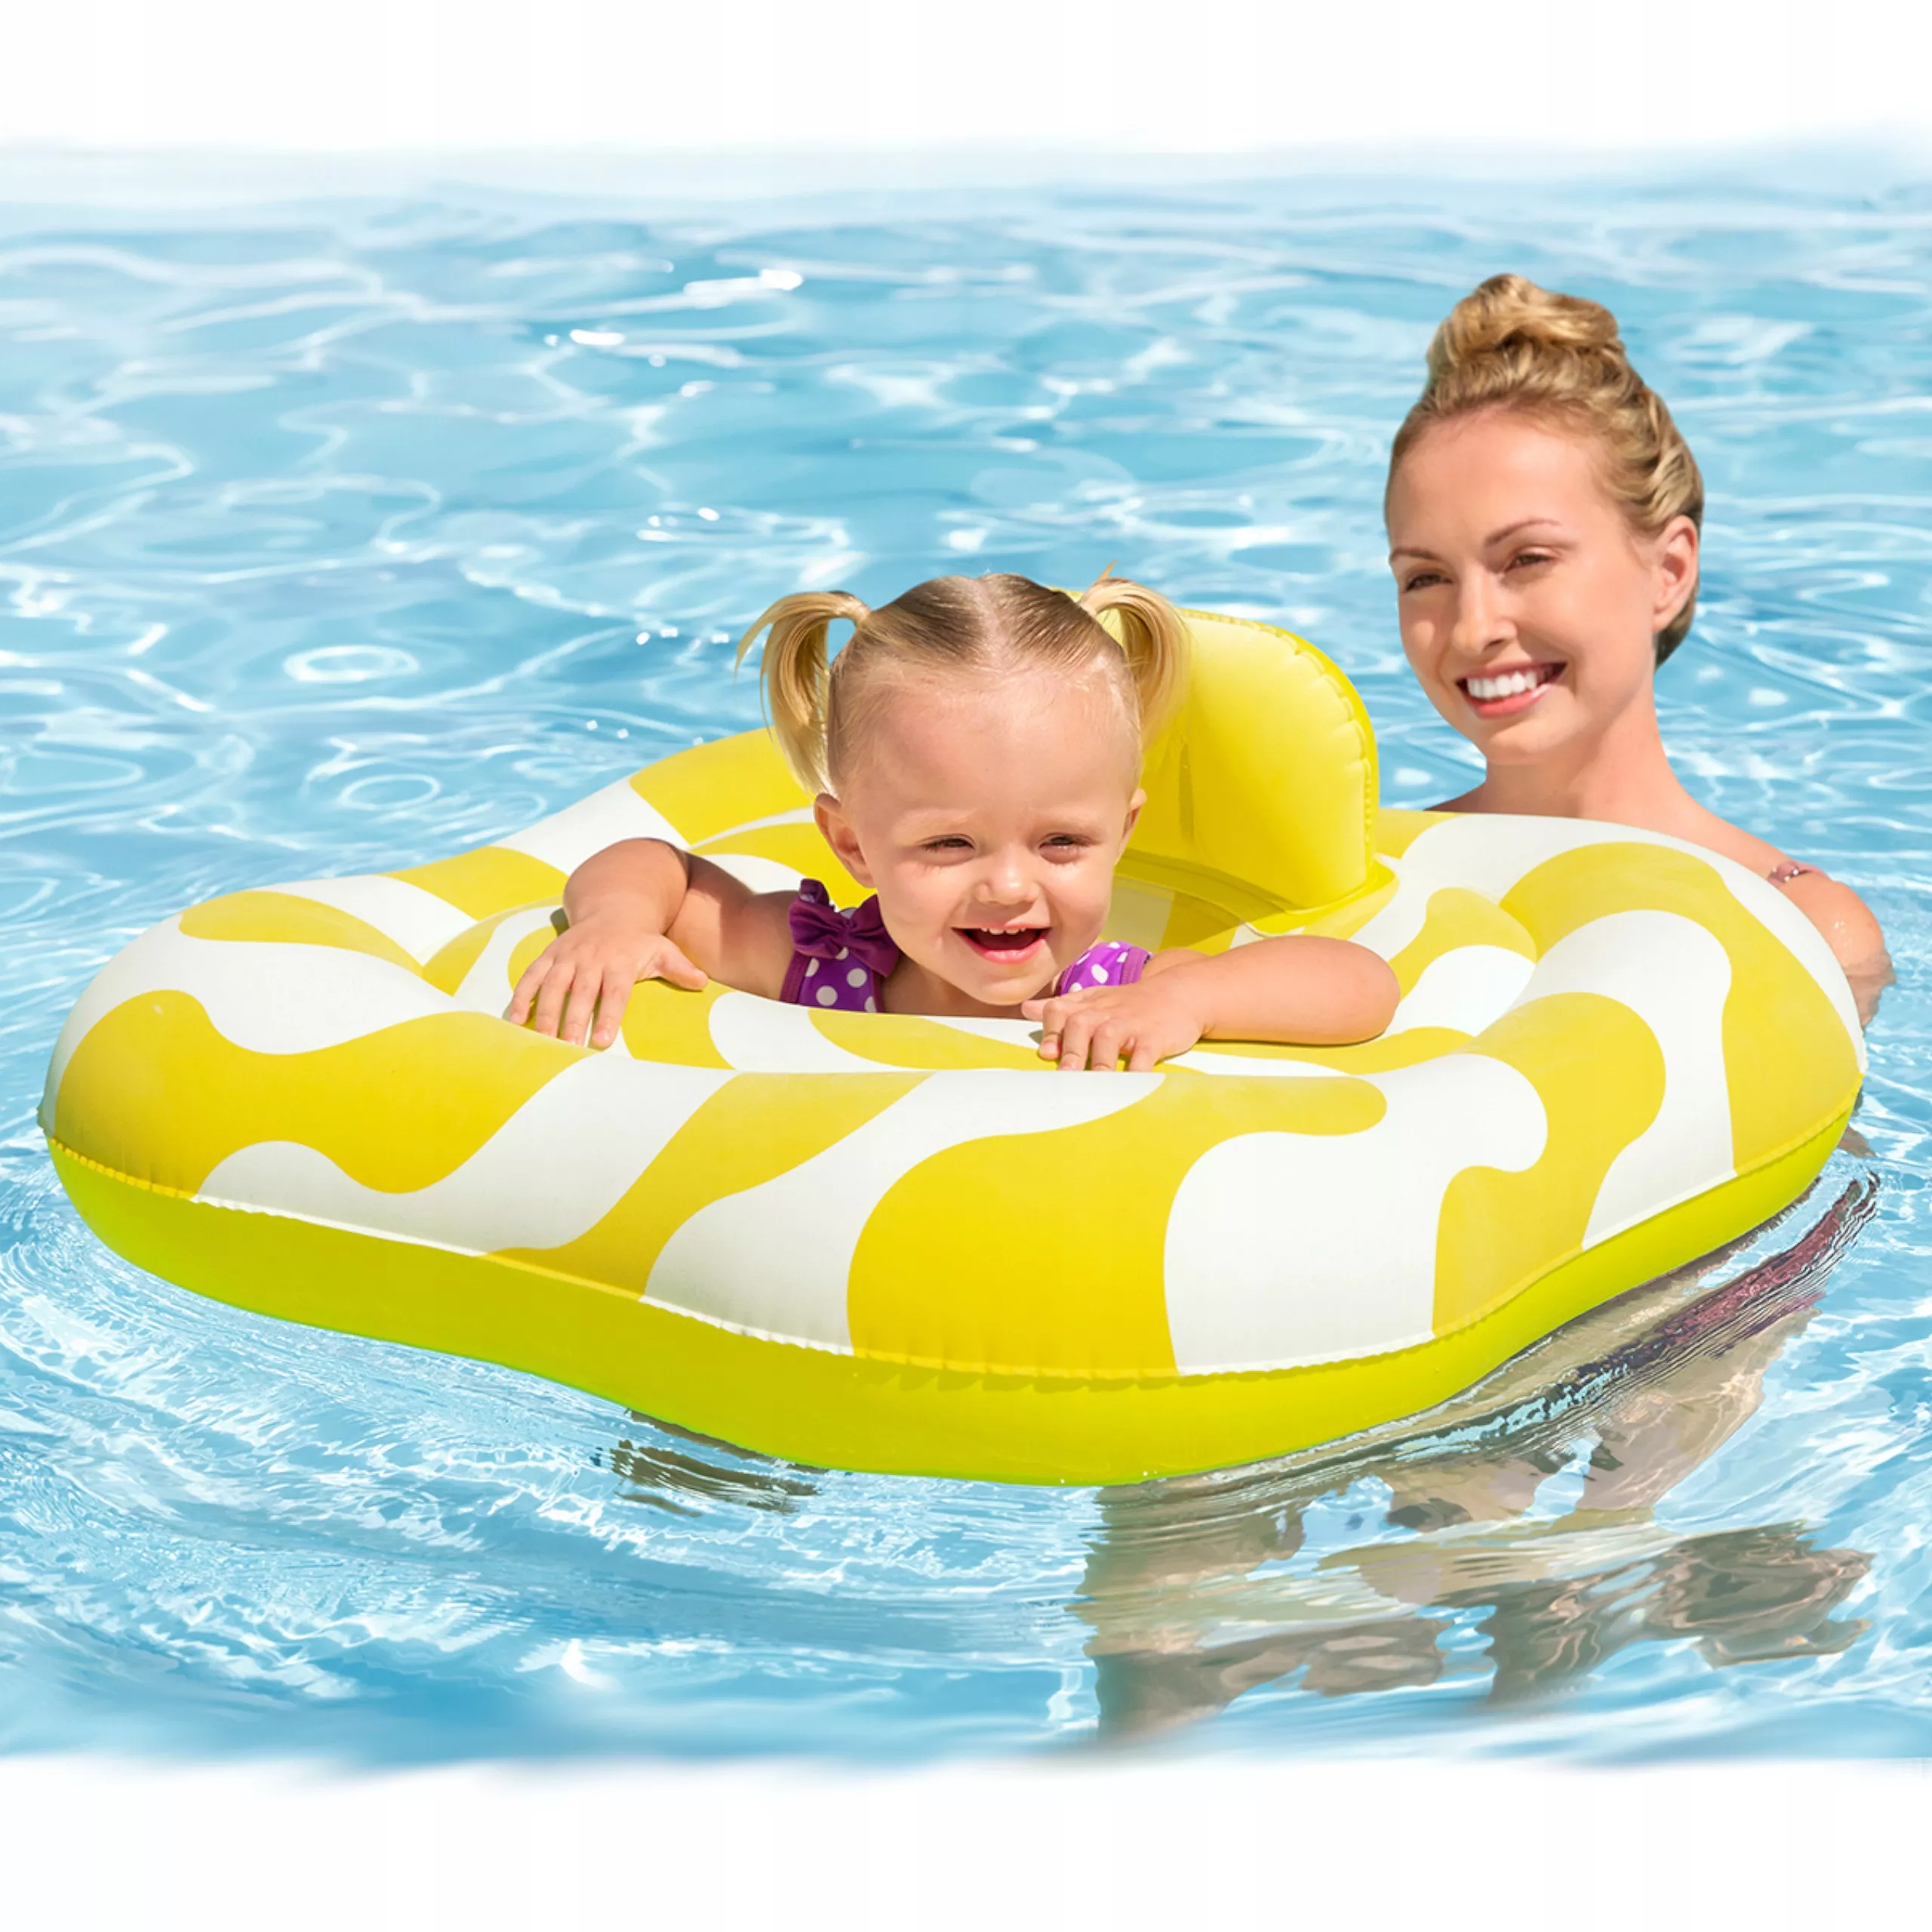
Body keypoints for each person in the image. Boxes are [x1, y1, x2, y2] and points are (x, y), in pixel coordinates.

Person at [507, 570, 1398, 1068]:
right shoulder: (817, 964)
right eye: (948, 843)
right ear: (851, 843)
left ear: (1121, 834)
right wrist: (614, 924)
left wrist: (1186, 999)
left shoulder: (1110, 989)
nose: (1008, 886)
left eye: (1061, 842)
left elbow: (1360, 982)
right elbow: (652, 862)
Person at [1384, 274, 1891, 1022]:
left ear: (1668, 573)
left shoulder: (1805, 929)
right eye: (1425, 577)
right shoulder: (1368, 875)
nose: (1471, 628)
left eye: (1527, 559)